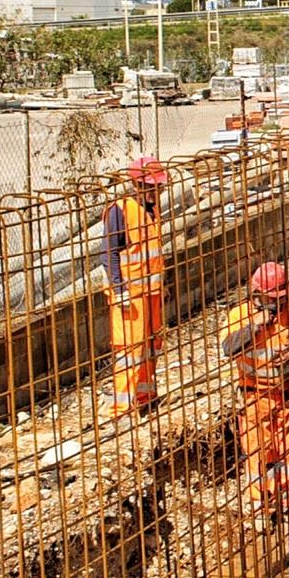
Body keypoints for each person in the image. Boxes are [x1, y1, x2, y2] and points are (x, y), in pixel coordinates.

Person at [220, 261, 289, 527]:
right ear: (256, 295)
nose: (278, 303)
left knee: (288, 450)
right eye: (272, 298)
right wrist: (256, 327)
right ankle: (260, 506)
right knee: (258, 453)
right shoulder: (240, 315)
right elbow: (228, 348)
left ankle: (286, 499)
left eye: (281, 297)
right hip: (255, 398)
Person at [103, 156, 169, 416]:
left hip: (150, 293)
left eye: (159, 187)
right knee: (129, 351)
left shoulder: (152, 209)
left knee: (152, 346)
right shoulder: (120, 211)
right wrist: (118, 290)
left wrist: (162, 285)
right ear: (136, 186)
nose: (156, 192)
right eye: (151, 187)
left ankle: (144, 395)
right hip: (130, 296)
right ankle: (121, 407)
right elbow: (108, 254)